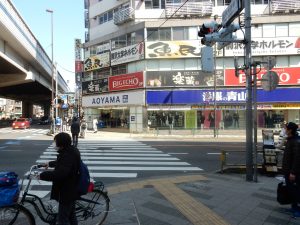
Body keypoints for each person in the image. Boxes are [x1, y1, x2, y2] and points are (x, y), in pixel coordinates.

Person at [39, 132, 80, 225]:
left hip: (67, 191)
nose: (54, 144)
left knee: (62, 220)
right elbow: (62, 163)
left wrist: (42, 175)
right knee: (71, 215)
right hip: (70, 189)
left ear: (61, 143)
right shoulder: (69, 151)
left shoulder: (69, 154)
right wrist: (49, 163)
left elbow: (60, 174)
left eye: (55, 142)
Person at [281, 122, 300, 217]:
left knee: (295, 190)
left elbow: (297, 158)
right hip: (288, 171)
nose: (285, 130)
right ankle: (293, 207)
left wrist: (293, 172)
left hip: (293, 172)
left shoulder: (295, 141)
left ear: (290, 130)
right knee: (291, 190)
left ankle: (297, 210)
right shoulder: (291, 140)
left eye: (286, 128)